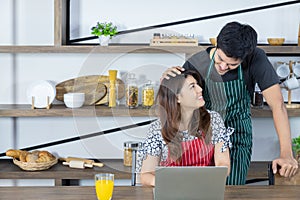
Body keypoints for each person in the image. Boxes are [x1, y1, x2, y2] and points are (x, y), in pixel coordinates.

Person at [162, 21, 298, 185]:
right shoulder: (196, 63)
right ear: (216, 44)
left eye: (232, 64)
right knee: (199, 189)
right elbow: (176, 100)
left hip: (238, 137)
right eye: (220, 59)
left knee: (231, 190)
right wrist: (167, 82)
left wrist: (286, 153)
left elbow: (278, 106)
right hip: (202, 138)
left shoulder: (256, 58)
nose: (223, 67)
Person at [136, 70, 233, 187]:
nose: (200, 89)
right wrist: (170, 184)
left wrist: (205, 182)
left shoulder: (214, 120)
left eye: (197, 84)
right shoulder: (157, 129)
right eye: (192, 87)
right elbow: (146, 175)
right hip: (171, 191)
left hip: (205, 188)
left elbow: (223, 164)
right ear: (177, 98)